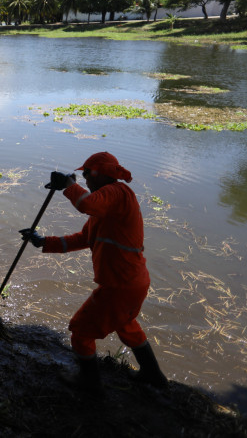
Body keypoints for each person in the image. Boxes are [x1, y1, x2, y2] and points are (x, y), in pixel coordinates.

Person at [19, 152, 168, 394]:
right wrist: (43, 242)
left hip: (119, 286)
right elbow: (84, 238)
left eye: (86, 174)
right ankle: (154, 376)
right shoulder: (107, 208)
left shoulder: (117, 193)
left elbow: (86, 204)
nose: (85, 180)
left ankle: (89, 383)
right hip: (132, 282)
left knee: (80, 330)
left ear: (97, 174)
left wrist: (69, 186)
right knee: (126, 325)